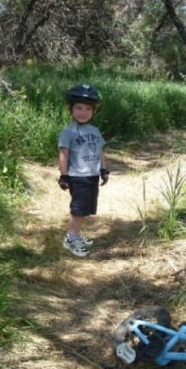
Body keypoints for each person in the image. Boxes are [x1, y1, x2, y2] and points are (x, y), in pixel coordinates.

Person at [58, 83, 109, 257]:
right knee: (78, 210)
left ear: (93, 111)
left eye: (88, 109)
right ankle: (71, 239)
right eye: (79, 108)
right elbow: (63, 154)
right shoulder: (68, 132)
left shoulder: (94, 130)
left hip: (92, 175)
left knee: (86, 208)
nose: (83, 112)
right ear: (71, 109)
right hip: (77, 176)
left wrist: (104, 169)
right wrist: (64, 175)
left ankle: (76, 234)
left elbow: (100, 150)